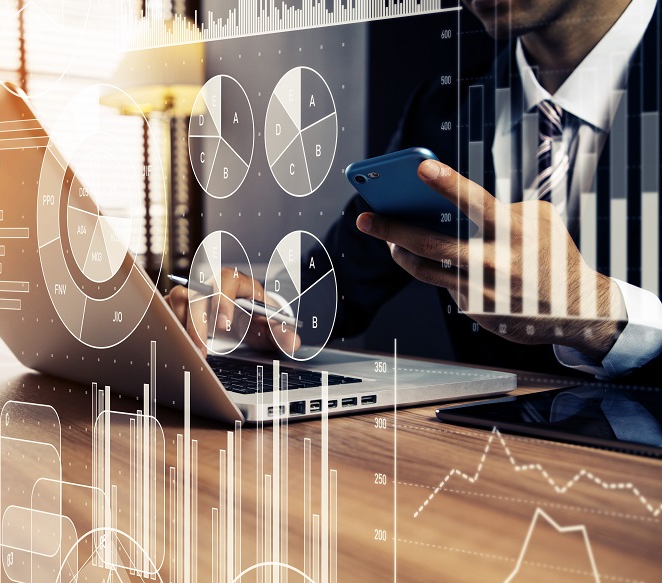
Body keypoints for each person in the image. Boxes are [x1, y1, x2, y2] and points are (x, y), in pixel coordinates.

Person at [166, 0, 662, 384]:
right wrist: (265, 313)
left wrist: (601, 314)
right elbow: (345, 281)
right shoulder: (443, 109)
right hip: (487, 474)